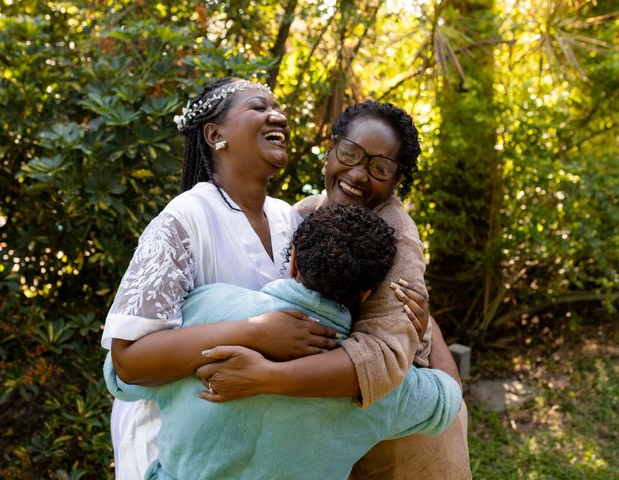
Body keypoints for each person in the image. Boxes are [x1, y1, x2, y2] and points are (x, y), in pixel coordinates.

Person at [195, 101, 472, 479]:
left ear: (396, 181)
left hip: (402, 436)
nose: (358, 175)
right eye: (350, 153)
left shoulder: (399, 238)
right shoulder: (304, 213)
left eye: (379, 168)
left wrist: (263, 377)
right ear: (331, 150)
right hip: (332, 425)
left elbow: (383, 358)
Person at [104, 205, 463, 479]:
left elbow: (119, 379)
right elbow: (449, 396)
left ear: (292, 261)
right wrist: (424, 322)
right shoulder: (378, 384)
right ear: (367, 294)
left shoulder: (205, 307)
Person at [102, 77, 342, 479]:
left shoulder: (291, 219)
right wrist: (256, 332)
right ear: (215, 135)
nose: (278, 116)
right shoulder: (185, 220)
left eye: (278, 108)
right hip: (170, 448)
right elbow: (129, 360)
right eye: (258, 107)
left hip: (246, 449)